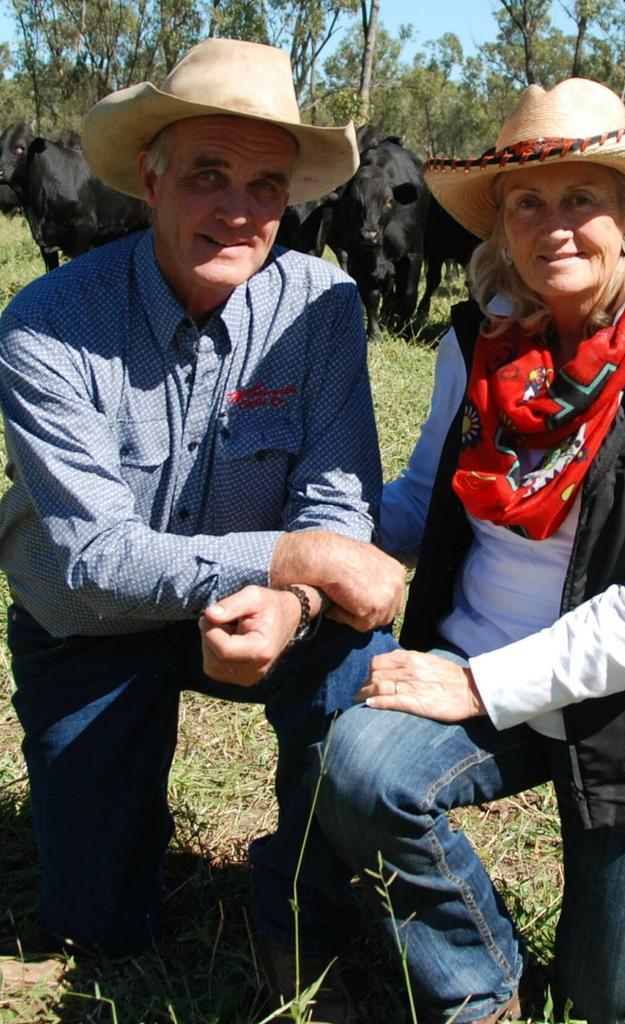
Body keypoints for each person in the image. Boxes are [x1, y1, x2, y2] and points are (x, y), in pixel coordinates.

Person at [309, 78, 625, 1024]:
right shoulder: (475, 342)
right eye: (528, 201)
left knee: (609, 1001)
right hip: (484, 660)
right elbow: (421, 500)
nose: (554, 226)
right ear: (502, 225)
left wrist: (476, 687)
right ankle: (479, 986)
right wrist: (310, 556)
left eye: (583, 198)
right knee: (361, 767)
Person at [0, 37, 403, 1021]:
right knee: (101, 923)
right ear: (150, 176)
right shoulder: (45, 325)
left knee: (358, 645)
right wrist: (296, 557)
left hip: (256, 600)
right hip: (88, 624)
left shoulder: (322, 306)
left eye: (266, 184)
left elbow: (339, 500)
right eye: (207, 174)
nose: (237, 208)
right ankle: (108, 852)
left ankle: (295, 900)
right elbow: (96, 560)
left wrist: (298, 592)